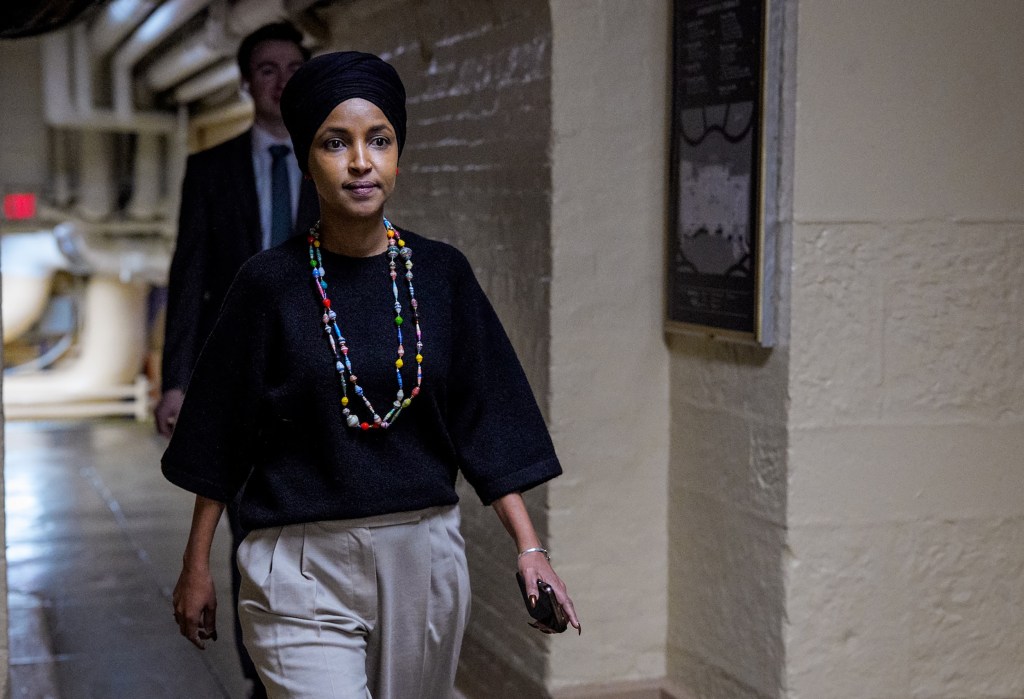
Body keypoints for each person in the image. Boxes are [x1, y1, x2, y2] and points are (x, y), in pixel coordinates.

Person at [162, 51, 580, 698]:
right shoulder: (268, 285)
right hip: (297, 561)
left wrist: (530, 549)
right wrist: (196, 564)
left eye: (378, 140)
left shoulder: (441, 275)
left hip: (423, 554)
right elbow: (220, 433)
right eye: (336, 143)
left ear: (398, 154)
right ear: (308, 159)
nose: (361, 161)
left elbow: (486, 417)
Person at [154, 22, 319, 699]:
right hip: (238, 373)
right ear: (247, 82)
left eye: (290, 69)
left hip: (318, 369)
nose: (279, 82)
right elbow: (188, 275)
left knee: (311, 515)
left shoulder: (332, 161)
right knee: (246, 522)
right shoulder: (211, 169)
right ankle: (262, 672)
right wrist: (176, 381)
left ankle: (316, 646)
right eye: (266, 69)